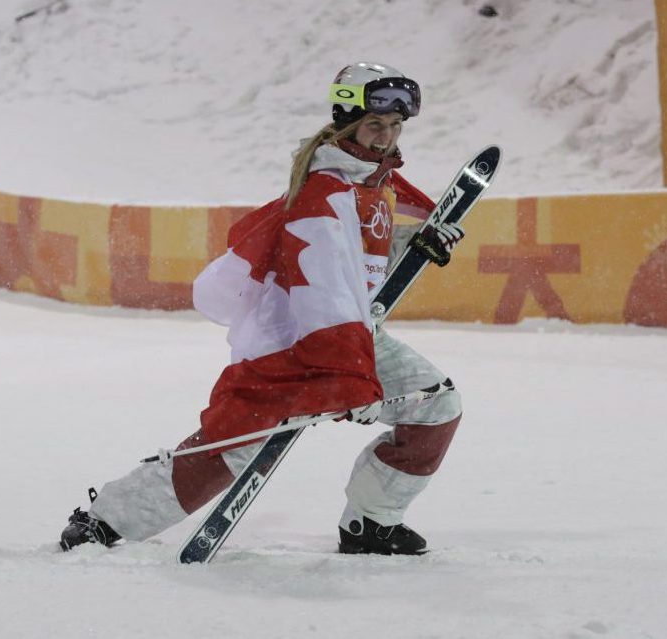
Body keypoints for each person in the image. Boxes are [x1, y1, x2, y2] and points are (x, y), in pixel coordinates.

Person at [59, 62, 466, 556]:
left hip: (349, 338)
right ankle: (104, 521)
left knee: (437, 405)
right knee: (231, 447)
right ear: (347, 123)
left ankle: (371, 523)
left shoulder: (368, 183)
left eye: (396, 125)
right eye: (376, 124)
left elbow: (355, 263)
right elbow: (324, 292)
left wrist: (411, 242)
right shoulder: (325, 194)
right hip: (298, 343)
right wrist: (349, 377)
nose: (387, 136)